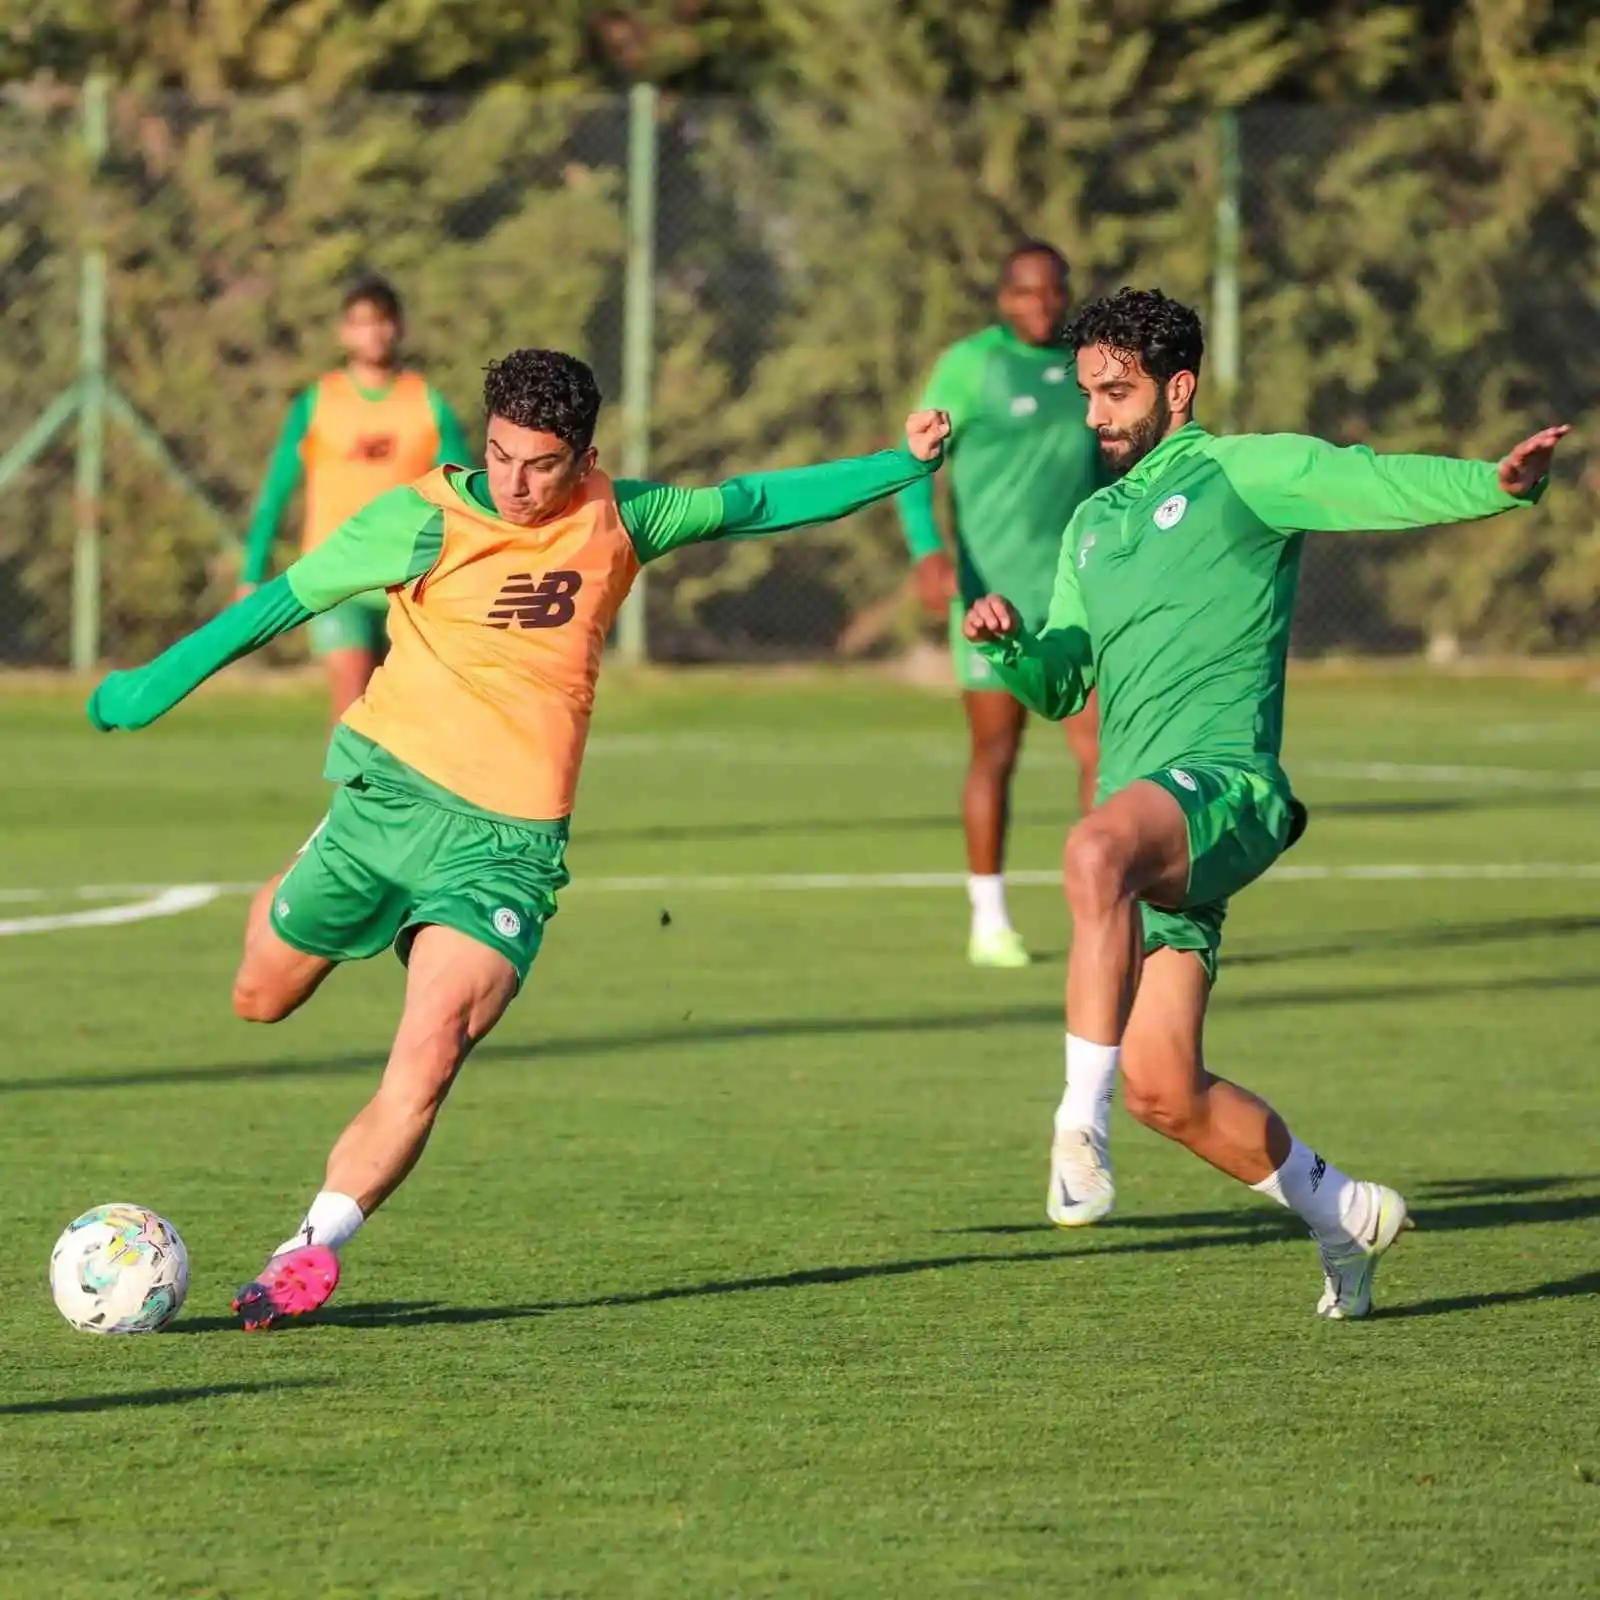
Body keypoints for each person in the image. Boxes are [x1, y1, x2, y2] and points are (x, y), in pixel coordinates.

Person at [89, 349, 952, 1330]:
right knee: (261, 996)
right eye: (499, 455)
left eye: (540, 464)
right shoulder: (419, 518)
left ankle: (308, 1248)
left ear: (584, 458)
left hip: (504, 848)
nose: (513, 480)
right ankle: (307, 873)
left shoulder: (621, 517)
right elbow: (283, 603)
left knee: (432, 1053)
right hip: (382, 809)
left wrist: (899, 464)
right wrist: (150, 686)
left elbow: (752, 501)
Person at [963, 287, 1564, 1317]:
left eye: (1117, 391)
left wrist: (1493, 485)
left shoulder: (1239, 471)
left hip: (1222, 790)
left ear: (1178, 387)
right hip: (1152, 820)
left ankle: (1074, 1125)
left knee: (1091, 852)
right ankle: (1345, 1215)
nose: (1096, 414)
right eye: (1087, 394)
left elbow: (1365, 484)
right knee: (1164, 1085)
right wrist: (1012, 645)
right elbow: (1064, 678)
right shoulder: (1091, 525)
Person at [897, 242, 1104, 968]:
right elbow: (916, 461)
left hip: (1078, 592)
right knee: (996, 750)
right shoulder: (971, 365)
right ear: (1002, 296)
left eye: (1051, 292)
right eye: (1023, 292)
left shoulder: (1090, 363)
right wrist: (929, 551)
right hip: (991, 597)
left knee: (1101, 751)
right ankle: (989, 919)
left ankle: (1104, 912)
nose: (1039, 305)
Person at [237, 276, 474, 722]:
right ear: (343, 332)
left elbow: (463, 496)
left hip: (407, 581)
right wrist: (251, 572)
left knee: (402, 716)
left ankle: (391, 793)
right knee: (351, 692)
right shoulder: (318, 403)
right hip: (337, 576)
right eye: (361, 323)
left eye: (382, 322)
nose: (374, 333)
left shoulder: (426, 403)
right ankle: (344, 793)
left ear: (399, 328)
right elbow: (275, 494)